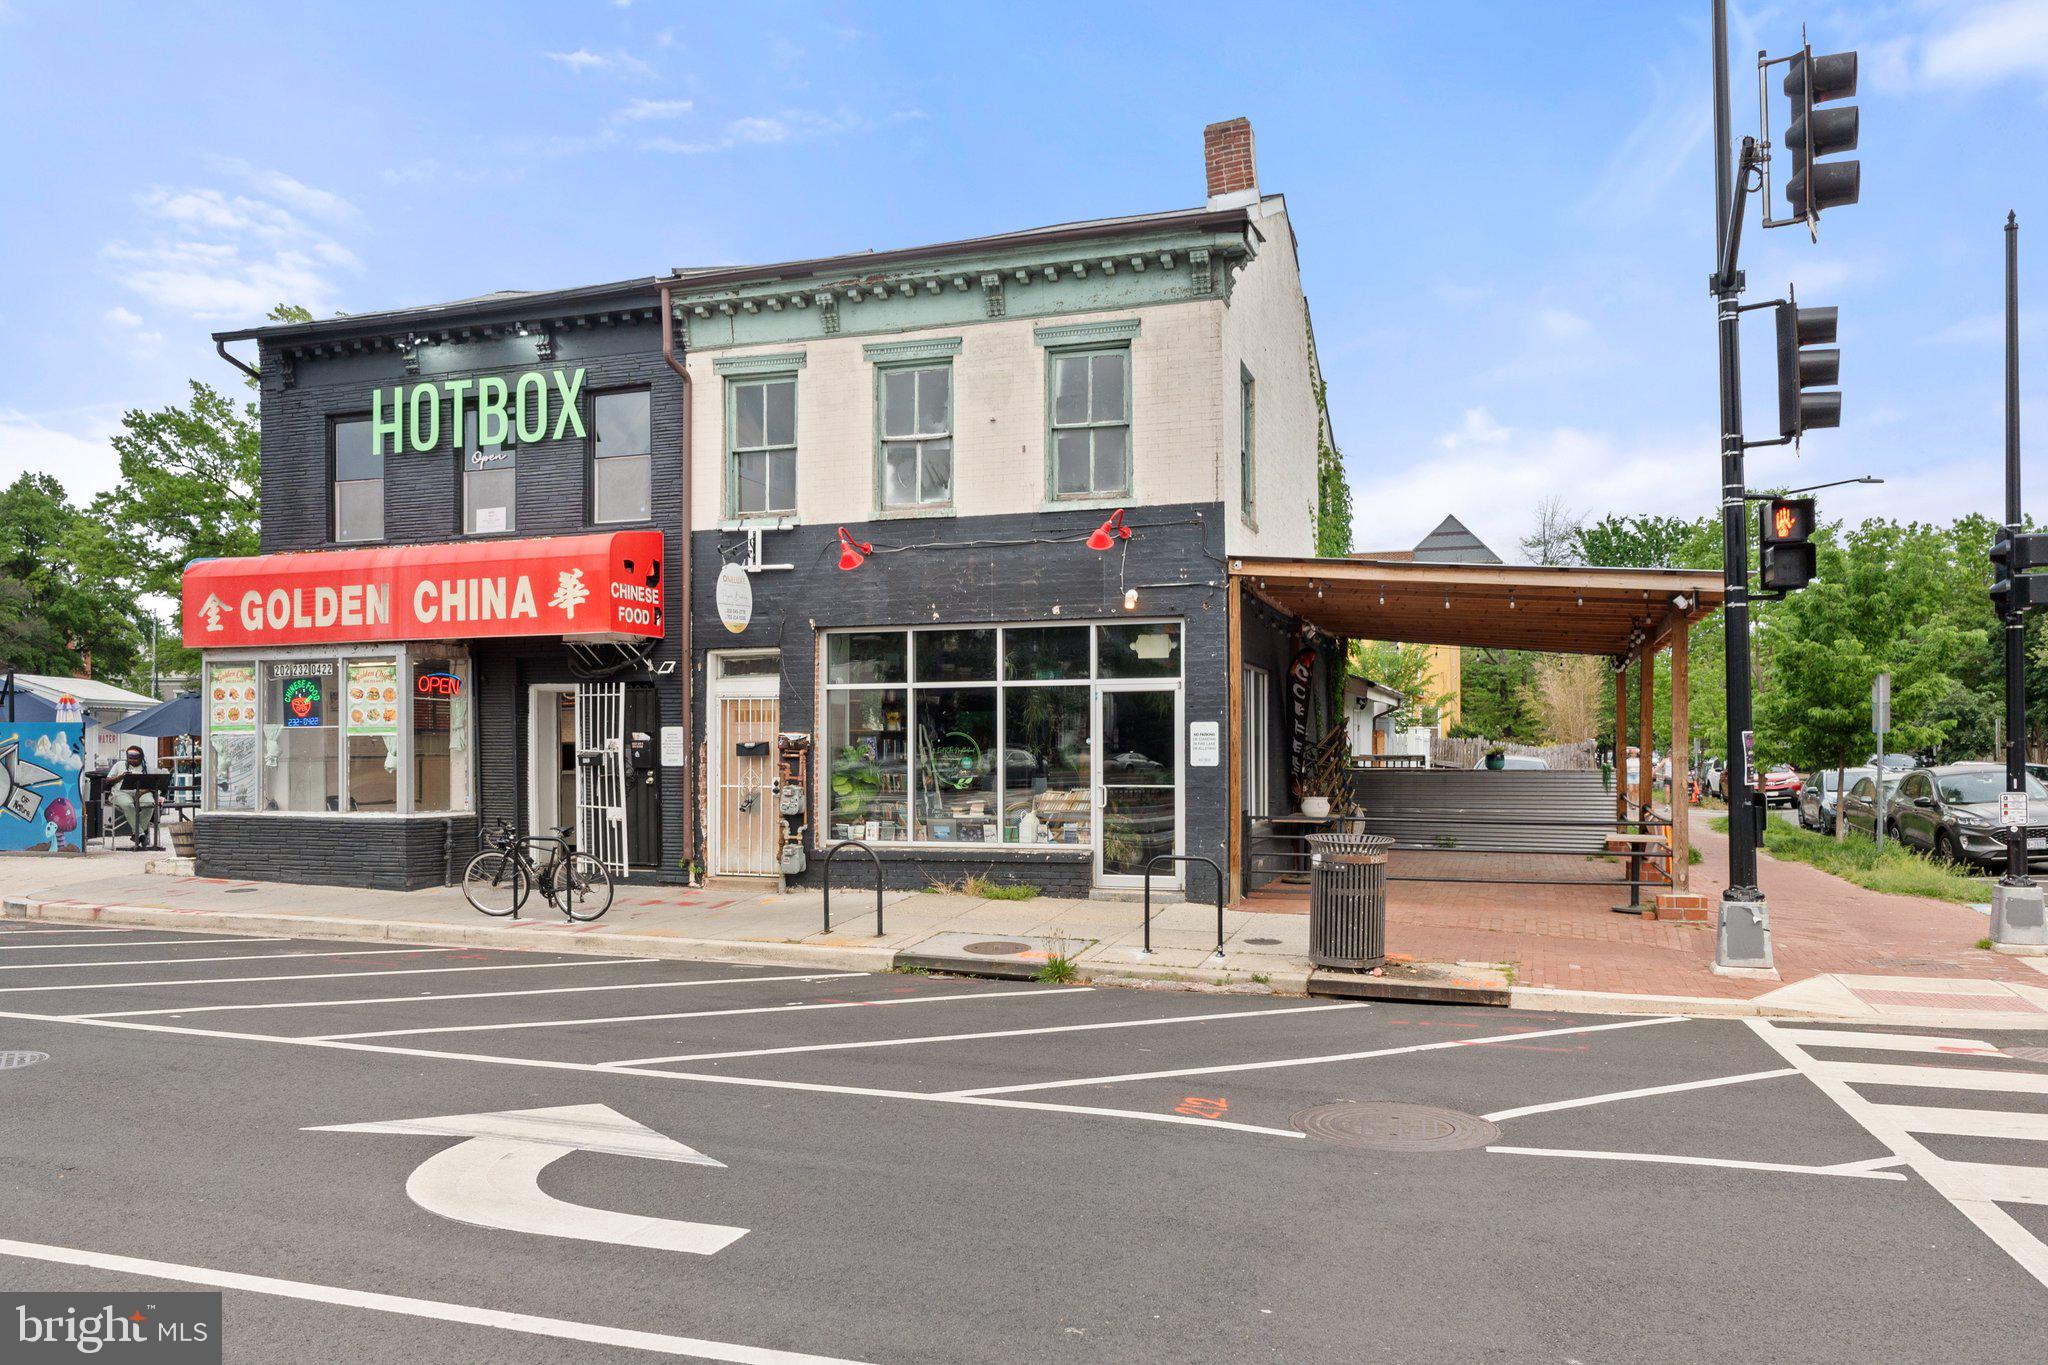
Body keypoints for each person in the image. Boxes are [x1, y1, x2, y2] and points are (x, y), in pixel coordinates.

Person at [106, 744, 158, 849]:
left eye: (135, 758)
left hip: (141, 792)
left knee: (150, 804)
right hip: (121, 792)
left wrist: (141, 793)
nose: (132, 760)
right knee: (128, 805)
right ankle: (140, 833)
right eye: (130, 758)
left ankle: (137, 834)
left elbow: (153, 784)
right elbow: (108, 780)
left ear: (141, 757)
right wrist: (120, 777)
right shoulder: (119, 765)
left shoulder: (147, 768)